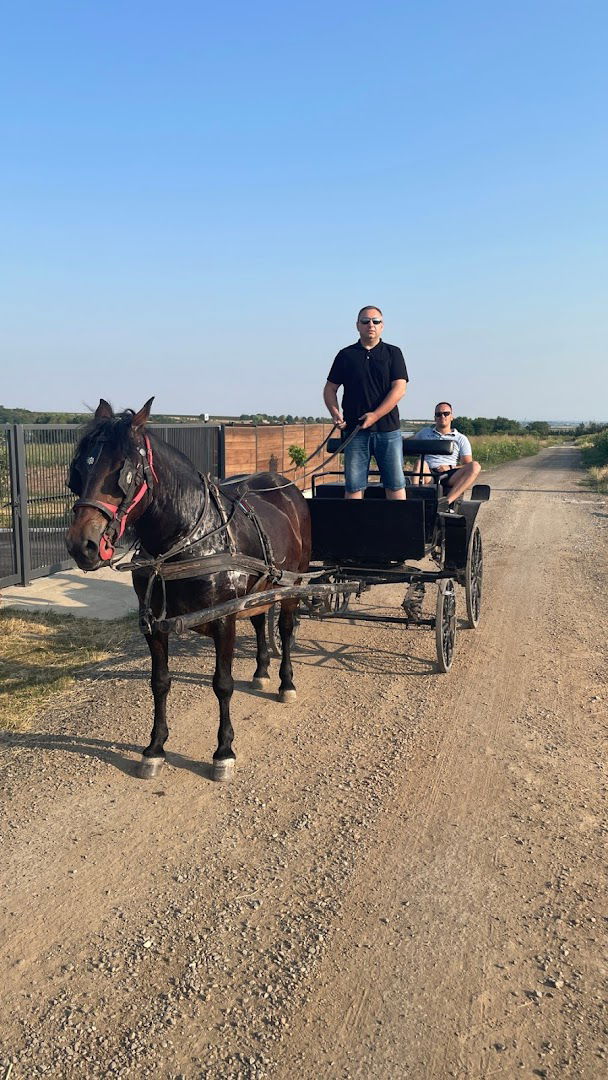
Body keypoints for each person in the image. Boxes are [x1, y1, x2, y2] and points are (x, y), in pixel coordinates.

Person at [323, 306, 408, 500]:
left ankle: (399, 528)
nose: (371, 325)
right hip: (355, 432)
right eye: (366, 321)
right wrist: (335, 413)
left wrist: (375, 415)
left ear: (382, 326)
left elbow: (400, 389)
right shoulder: (346, 355)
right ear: (357, 326)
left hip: (388, 431)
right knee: (353, 486)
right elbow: (330, 389)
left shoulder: (393, 353)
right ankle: (353, 528)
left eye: (375, 321)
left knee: (395, 484)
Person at [414, 402, 481, 504]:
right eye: (438, 414)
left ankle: (447, 502)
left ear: (451, 416)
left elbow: (467, 464)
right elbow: (406, 442)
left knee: (475, 466)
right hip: (428, 473)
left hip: (449, 475)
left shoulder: (460, 439)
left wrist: (449, 467)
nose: (442, 416)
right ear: (435, 418)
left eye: (446, 413)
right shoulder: (424, 433)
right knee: (419, 462)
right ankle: (414, 500)